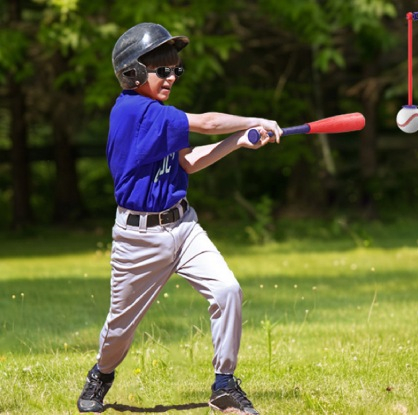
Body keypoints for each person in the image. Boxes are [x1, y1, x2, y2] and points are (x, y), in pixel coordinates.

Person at [76, 22, 281, 415]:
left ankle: (224, 385)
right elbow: (206, 122)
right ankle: (101, 375)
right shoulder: (134, 112)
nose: (171, 77)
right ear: (133, 73)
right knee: (120, 329)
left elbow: (188, 161)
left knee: (227, 291)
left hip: (184, 227)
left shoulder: (162, 116)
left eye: (175, 70)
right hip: (139, 240)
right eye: (162, 70)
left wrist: (239, 142)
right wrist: (253, 121)